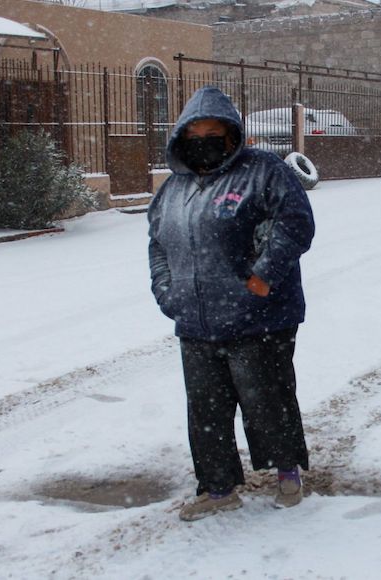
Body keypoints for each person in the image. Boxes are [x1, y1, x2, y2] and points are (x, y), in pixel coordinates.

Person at [147, 86, 315, 522]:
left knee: (267, 400)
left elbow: (295, 224)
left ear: (231, 134)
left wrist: (262, 278)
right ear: (181, 139)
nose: (203, 140)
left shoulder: (263, 171)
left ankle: (287, 473)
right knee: (206, 410)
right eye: (194, 133)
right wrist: (167, 293)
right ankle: (218, 487)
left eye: (213, 132)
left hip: (258, 317)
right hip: (196, 320)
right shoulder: (173, 189)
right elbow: (158, 245)